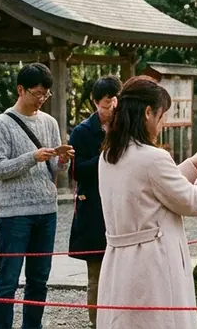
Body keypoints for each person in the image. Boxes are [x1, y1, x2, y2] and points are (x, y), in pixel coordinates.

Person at [97, 76, 197, 329]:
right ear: (147, 113)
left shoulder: (109, 155)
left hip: (120, 262)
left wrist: (191, 165)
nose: (162, 123)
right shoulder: (154, 158)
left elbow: (151, 188)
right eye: (161, 115)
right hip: (152, 263)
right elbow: (193, 202)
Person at [0, 63, 73, 329]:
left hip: (46, 211)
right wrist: (32, 157)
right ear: (21, 89)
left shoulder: (49, 122)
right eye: (37, 93)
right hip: (14, 213)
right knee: (8, 280)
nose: (41, 99)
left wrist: (62, 160)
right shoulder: (1, 124)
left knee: (39, 280)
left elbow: (54, 170)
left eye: (46, 94)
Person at [69, 75, 122, 327]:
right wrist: (106, 156)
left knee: (123, 272)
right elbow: (77, 171)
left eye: (114, 103)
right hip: (93, 208)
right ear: (94, 102)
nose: (110, 109)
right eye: (105, 104)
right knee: (96, 275)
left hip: (121, 204)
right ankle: (96, 322)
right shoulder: (81, 132)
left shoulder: (124, 127)